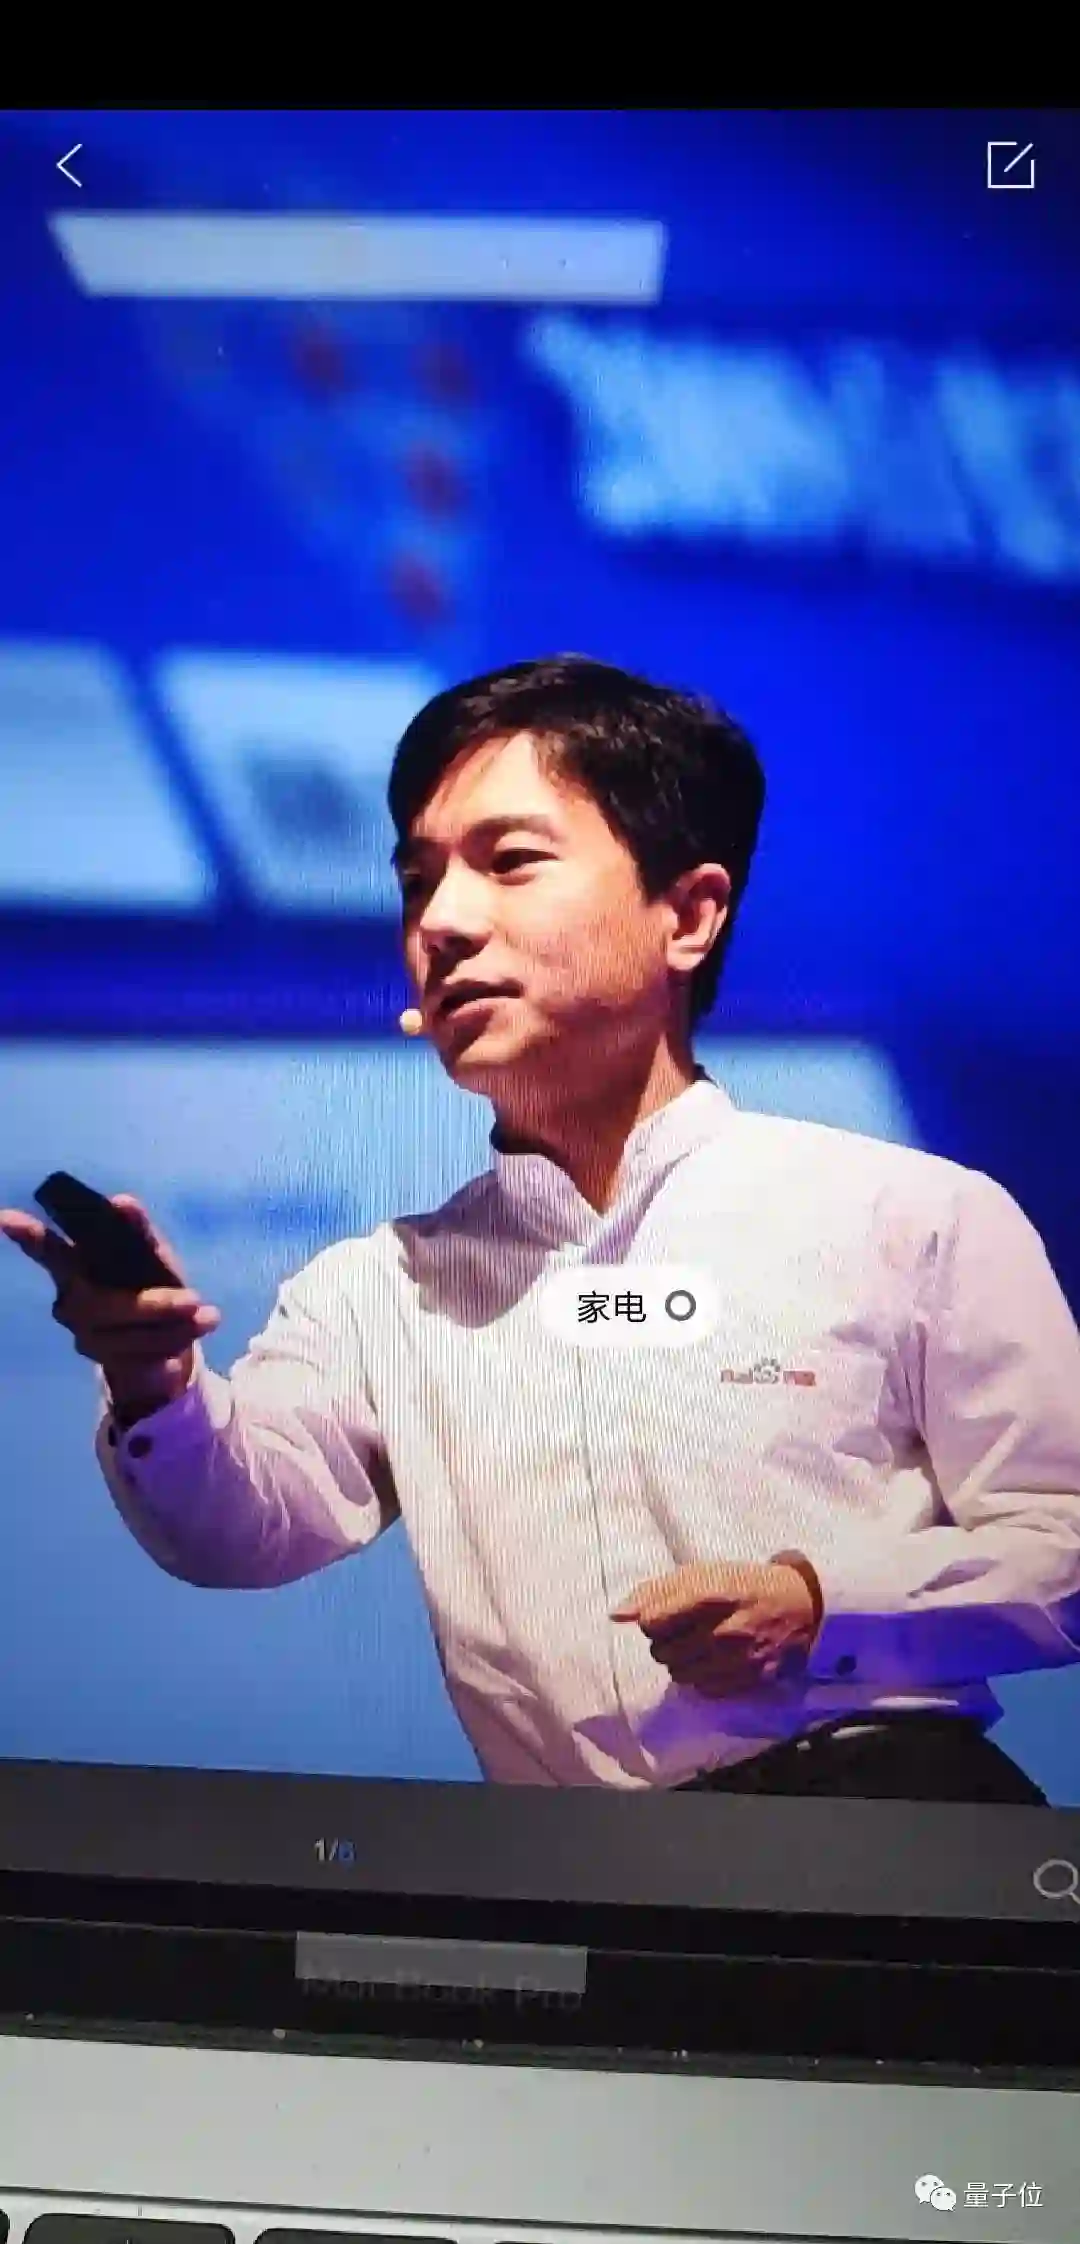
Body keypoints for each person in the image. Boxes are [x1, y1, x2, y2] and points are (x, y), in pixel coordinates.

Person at [4, 655, 1080, 1802]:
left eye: (511, 862)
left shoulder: (911, 1216)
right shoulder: (379, 1289)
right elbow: (236, 1532)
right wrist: (154, 1383)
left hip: (894, 1830)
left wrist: (826, 1606)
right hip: (574, 1876)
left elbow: (1063, 1545)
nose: (444, 921)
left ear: (690, 917)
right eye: (417, 881)